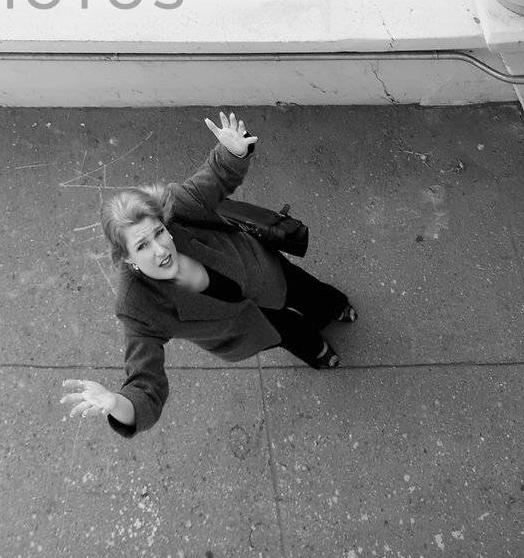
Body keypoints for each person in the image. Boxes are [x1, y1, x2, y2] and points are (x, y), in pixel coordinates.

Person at [61, 111, 357, 439]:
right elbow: (146, 386)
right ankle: (316, 349)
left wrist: (232, 151)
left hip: (265, 271)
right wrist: (117, 402)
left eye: (159, 232)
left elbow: (214, 177)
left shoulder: (177, 207)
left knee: (308, 291)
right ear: (126, 257)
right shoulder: (137, 305)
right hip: (244, 330)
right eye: (142, 245)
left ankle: (335, 307)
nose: (160, 249)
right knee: (287, 333)